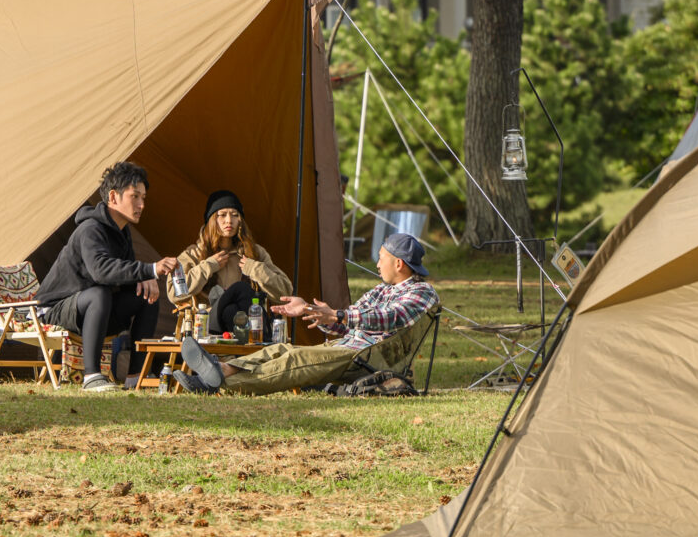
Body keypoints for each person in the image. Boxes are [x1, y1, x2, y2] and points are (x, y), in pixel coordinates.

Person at [173, 230, 439, 396]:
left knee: (296, 360)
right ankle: (219, 372)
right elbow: (346, 322)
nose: (378, 263)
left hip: (368, 357)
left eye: (381, 257)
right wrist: (311, 311)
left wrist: (338, 315)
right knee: (282, 350)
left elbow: (390, 318)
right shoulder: (381, 290)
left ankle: (215, 383)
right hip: (350, 347)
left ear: (399, 263)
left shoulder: (421, 293)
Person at [38, 162, 180, 392]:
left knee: (146, 296)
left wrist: (144, 279)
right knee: (99, 293)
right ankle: (92, 376)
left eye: (144, 197)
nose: (142, 205)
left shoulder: (122, 232)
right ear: (113, 197)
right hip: (56, 310)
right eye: (135, 196)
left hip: (92, 310)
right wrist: (150, 269)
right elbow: (101, 271)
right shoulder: (90, 229)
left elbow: (125, 273)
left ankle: (136, 376)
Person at [171, 191, 295, 339]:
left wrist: (256, 269)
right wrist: (207, 267)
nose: (229, 220)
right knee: (240, 289)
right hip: (209, 324)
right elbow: (175, 293)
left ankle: (245, 349)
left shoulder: (254, 253)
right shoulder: (194, 254)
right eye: (222, 215)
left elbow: (285, 292)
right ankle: (265, 338)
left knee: (231, 310)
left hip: (241, 325)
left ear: (240, 221)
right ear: (211, 219)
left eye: (235, 215)